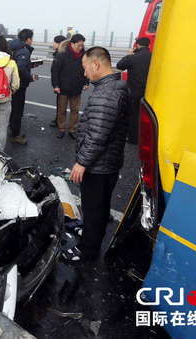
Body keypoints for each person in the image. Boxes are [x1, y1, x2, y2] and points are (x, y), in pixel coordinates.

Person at [63, 46, 129, 262]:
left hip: (98, 165)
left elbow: (97, 134)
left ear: (96, 64)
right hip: (106, 162)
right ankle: (93, 236)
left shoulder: (108, 92)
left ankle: (87, 250)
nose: (84, 73)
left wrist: (81, 163)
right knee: (99, 206)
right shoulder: (113, 87)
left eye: (85, 68)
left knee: (93, 209)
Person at [116, 37, 153, 144]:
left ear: (137, 45)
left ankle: (133, 138)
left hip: (134, 90)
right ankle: (146, 138)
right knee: (147, 116)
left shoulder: (133, 57)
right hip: (149, 91)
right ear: (149, 45)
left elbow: (119, 66)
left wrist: (129, 55)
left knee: (133, 115)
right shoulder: (154, 57)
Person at [51, 34, 88, 139]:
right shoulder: (62, 54)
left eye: (82, 45)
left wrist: (86, 83)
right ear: (72, 44)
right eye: (78, 45)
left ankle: (72, 129)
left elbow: (87, 69)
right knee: (61, 110)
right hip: (63, 87)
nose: (80, 48)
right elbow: (55, 71)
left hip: (77, 87)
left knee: (75, 110)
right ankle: (61, 129)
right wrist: (56, 85)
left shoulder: (84, 55)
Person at [8, 29, 36, 144]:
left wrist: (31, 65)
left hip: (12, 82)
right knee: (18, 110)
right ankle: (16, 135)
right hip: (19, 84)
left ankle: (12, 129)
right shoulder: (24, 51)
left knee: (13, 107)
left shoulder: (13, 46)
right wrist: (30, 78)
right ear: (28, 39)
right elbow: (20, 68)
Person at [49, 35, 67, 128]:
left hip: (62, 83)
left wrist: (56, 85)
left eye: (55, 42)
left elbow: (55, 70)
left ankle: (58, 122)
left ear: (60, 44)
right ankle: (59, 121)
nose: (53, 44)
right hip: (64, 82)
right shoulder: (65, 52)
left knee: (61, 105)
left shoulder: (60, 54)